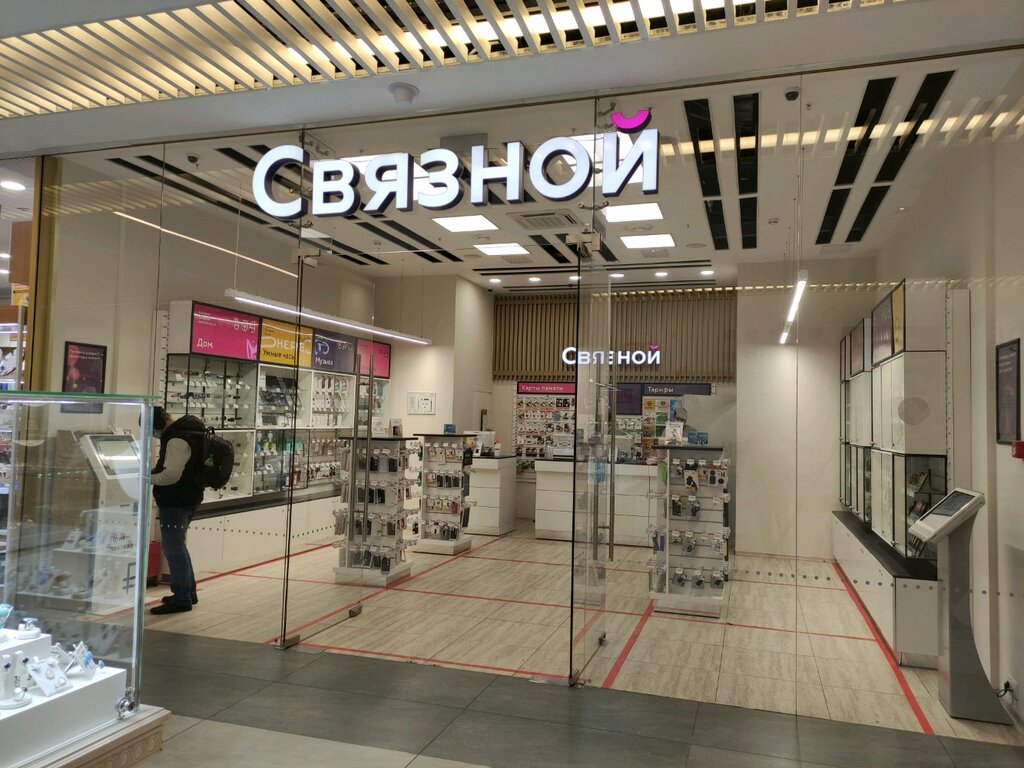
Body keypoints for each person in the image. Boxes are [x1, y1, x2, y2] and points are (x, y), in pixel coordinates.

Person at [149, 405, 205, 615]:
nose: (153, 435)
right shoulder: (186, 432)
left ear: (157, 424)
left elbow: (171, 475)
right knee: (178, 547)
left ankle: (182, 598)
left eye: (151, 430)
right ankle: (188, 592)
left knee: (173, 549)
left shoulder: (176, 439)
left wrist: (146, 479)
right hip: (187, 497)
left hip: (176, 500)